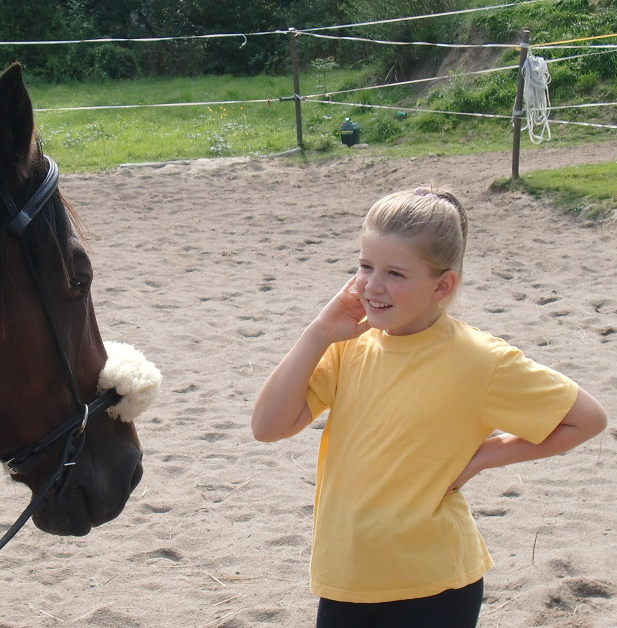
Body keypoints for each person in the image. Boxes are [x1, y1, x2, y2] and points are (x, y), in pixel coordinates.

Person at [251, 186, 607, 628]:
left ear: (443, 284)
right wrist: (318, 332)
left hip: (435, 586)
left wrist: (483, 457)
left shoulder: (481, 360)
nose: (371, 286)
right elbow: (267, 426)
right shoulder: (349, 344)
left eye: (395, 273)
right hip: (346, 577)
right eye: (365, 266)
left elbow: (587, 420)